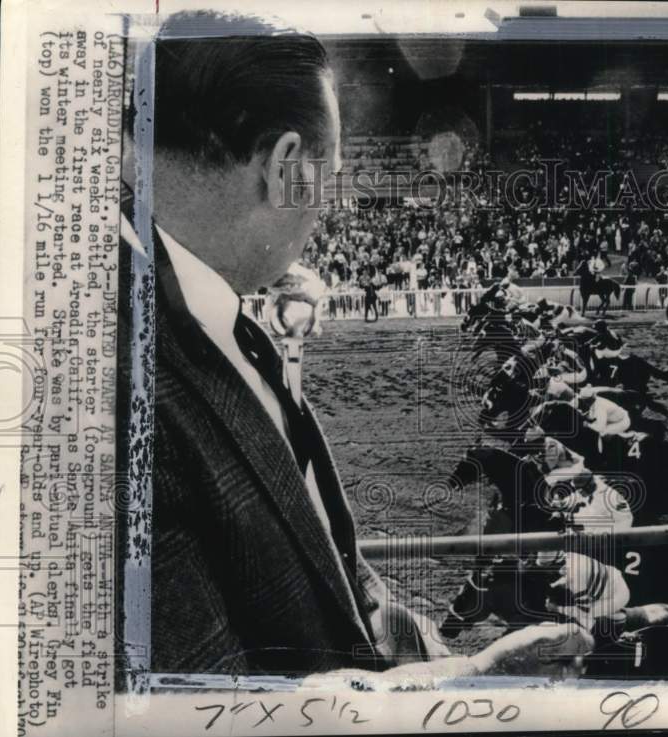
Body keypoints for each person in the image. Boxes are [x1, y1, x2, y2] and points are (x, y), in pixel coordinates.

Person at [119, 10, 592, 682]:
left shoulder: (198, 305)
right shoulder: (121, 387)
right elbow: (205, 707)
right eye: (330, 176)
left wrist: (429, 653)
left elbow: (333, 567)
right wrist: (467, 686)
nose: (325, 208)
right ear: (285, 167)